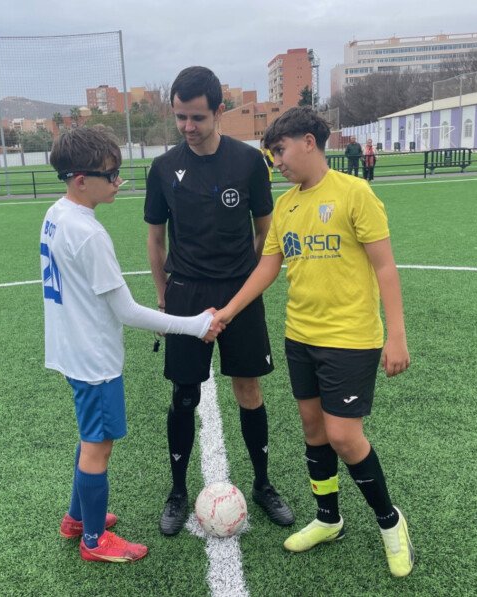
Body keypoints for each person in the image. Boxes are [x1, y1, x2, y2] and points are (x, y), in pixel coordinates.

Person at [214, 107, 414, 578]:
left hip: (350, 338)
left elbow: (385, 267)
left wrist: (397, 335)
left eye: (280, 151)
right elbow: (268, 267)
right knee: (314, 431)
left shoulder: (354, 193)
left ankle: (391, 523)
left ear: (308, 141)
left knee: (345, 436)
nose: (276, 162)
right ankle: (328, 519)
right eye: (270, 154)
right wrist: (227, 311)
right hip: (300, 335)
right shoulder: (285, 206)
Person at [44, 126, 223, 563]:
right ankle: (93, 542)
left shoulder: (56, 213)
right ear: (80, 179)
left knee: (90, 438)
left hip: (71, 349)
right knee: (97, 445)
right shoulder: (88, 234)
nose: (118, 181)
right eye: (111, 174)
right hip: (93, 357)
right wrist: (195, 325)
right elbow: (126, 311)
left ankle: (77, 519)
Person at [144, 66, 294, 536]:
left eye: (197, 117)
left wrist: (241, 282)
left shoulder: (249, 163)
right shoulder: (163, 168)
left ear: (219, 112)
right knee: (184, 394)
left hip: (240, 293)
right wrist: (164, 296)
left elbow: (266, 232)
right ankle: (176, 491)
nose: (188, 127)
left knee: (248, 388)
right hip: (186, 293)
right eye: (180, 117)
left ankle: (264, 485)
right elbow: (155, 240)